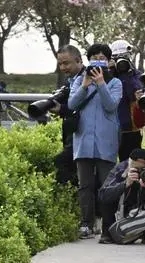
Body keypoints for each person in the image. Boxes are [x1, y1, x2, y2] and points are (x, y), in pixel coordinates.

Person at [68, 43, 123, 239]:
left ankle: (107, 221)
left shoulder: (115, 83)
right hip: (83, 140)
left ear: (108, 62)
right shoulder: (78, 81)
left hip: (105, 141)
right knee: (85, 185)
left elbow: (110, 106)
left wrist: (100, 83)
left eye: (102, 58)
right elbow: (72, 104)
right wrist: (84, 85)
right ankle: (86, 223)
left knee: (106, 184)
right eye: (94, 58)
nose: (97, 62)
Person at [98, 148, 145, 244]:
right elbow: (103, 195)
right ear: (130, 163)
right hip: (122, 209)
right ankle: (108, 234)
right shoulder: (121, 168)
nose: (140, 172)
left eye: (143, 169)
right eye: (137, 169)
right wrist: (125, 183)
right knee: (109, 195)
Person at [52, 44, 84, 186]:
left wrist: (62, 109)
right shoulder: (72, 79)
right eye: (60, 64)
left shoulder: (86, 78)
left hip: (83, 133)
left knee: (61, 161)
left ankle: (66, 196)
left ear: (78, 60)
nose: (63, 67)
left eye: (66, 63)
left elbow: (83, 108)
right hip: (72, 131)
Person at [109, 39, 145, 162]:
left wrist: (126, 74)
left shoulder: (136, 76)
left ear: (130, 56)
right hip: (110, 128)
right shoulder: (108, 76)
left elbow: (136, 95)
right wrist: (110, 72)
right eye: (117, 57)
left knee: (131, 165)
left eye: (124, 56)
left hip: (131, 129)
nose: (121, 60)